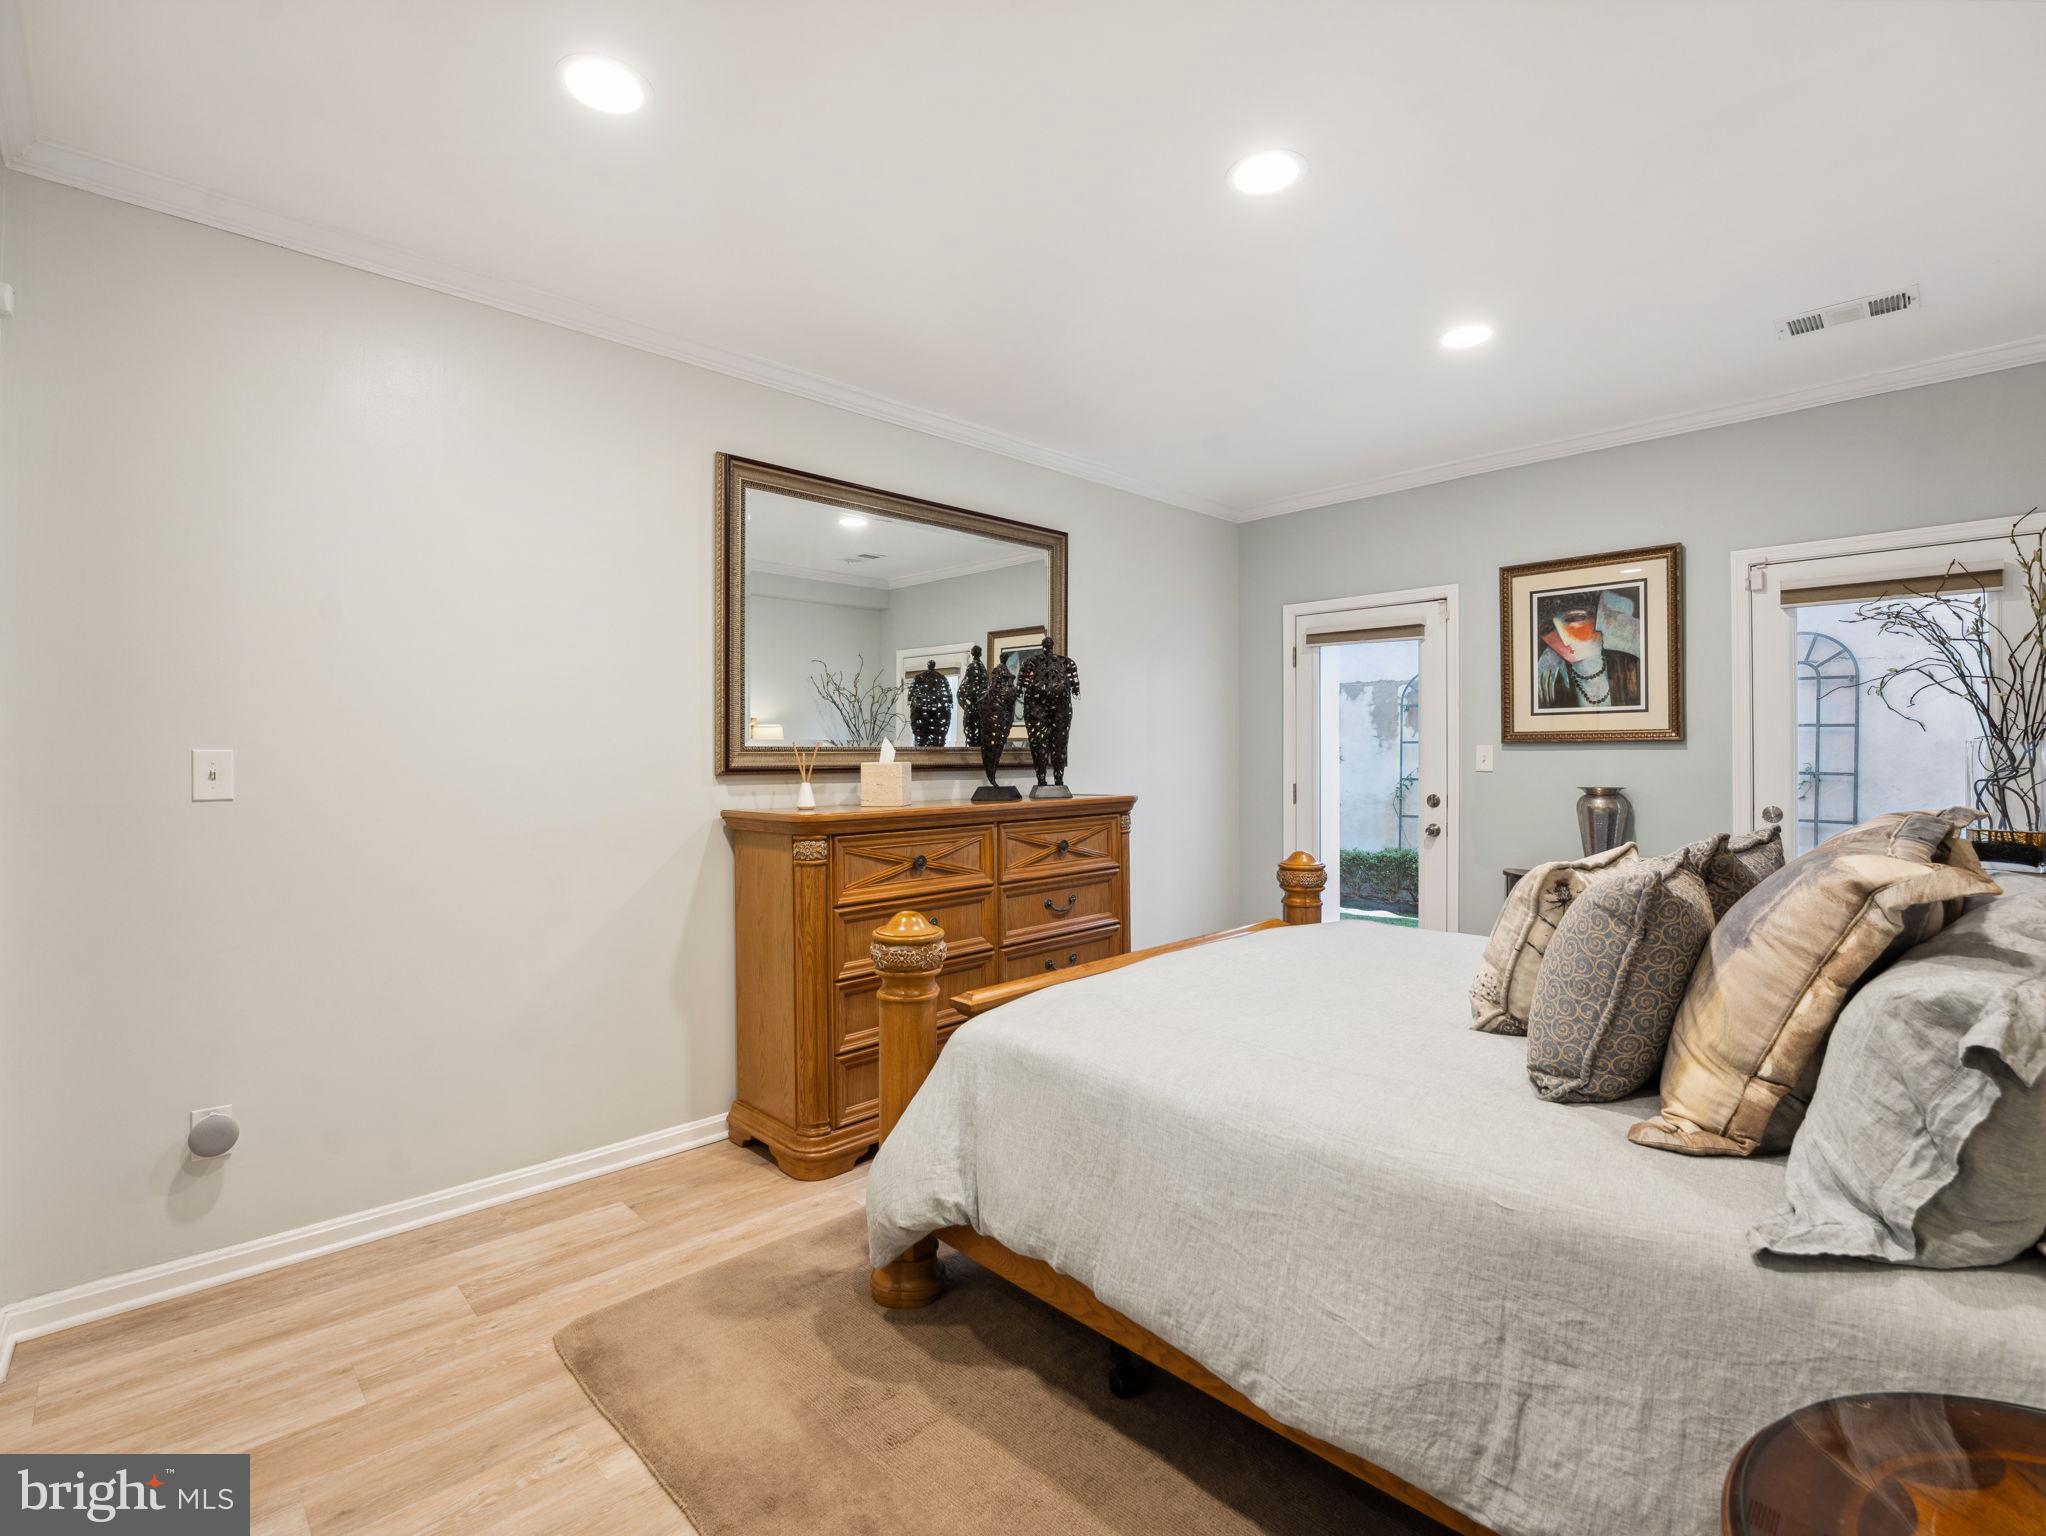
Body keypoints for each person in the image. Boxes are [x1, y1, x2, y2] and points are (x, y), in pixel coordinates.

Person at [1535, 590, 1641, 710]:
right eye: (1548, 629)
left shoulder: (1632, 663)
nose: (1565, 640)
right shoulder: (1551, 680)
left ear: (1601, 614)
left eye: (1575, 618)